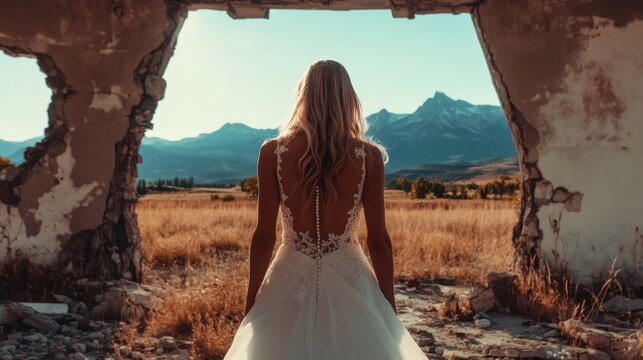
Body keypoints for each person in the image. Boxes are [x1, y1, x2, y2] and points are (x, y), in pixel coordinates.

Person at [223, 60, 429, 360]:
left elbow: (264, 235)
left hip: (288, 277)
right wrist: (388, 307)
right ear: (348, 98)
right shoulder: (367, 156)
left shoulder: (273, 152)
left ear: (303, 95)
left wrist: (251, 303)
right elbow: (378, 239)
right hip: (351, 277)